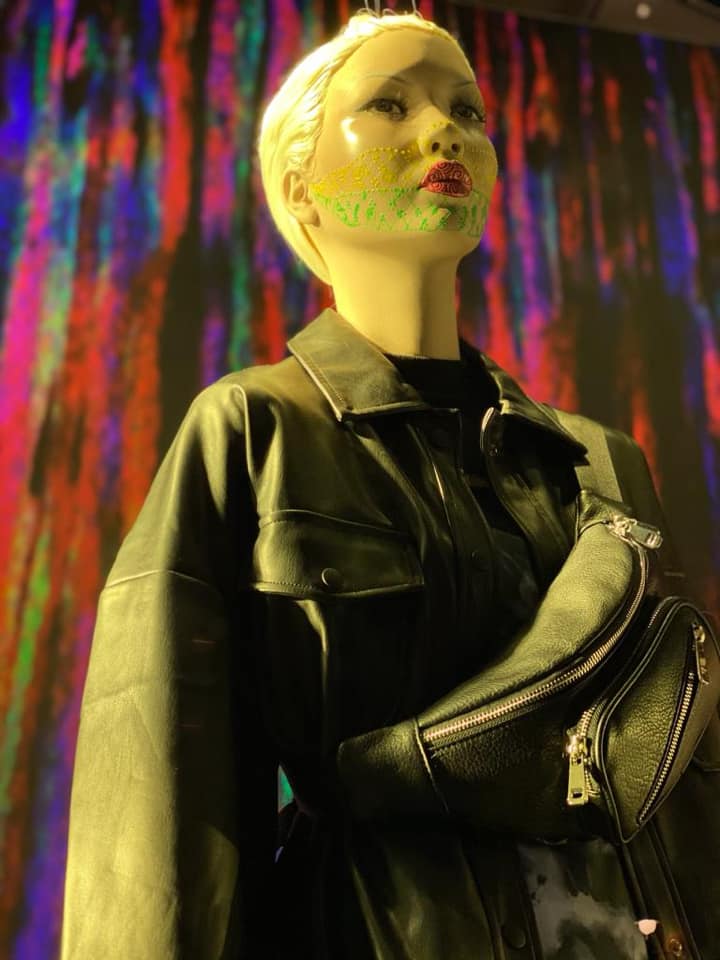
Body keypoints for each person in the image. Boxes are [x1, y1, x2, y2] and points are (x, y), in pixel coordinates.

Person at [60, 9, 720, 960]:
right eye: (391, 105)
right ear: (302, 186)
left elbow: (681, 775)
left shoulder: (600, 464)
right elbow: (161, 794)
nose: (445, 130)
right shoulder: (254, 431)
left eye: (467, 110)